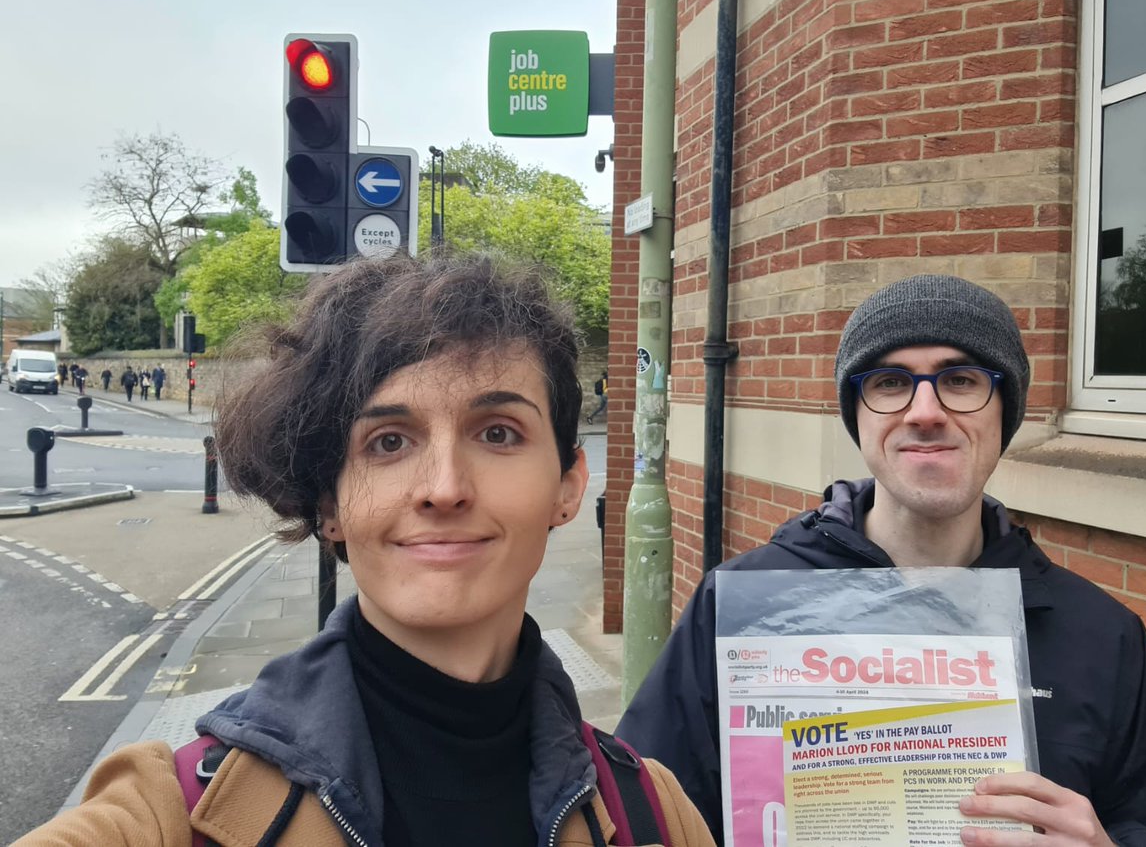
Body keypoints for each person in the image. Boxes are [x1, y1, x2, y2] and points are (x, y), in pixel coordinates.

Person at [14, 254, 713, 847]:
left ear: (568, 485)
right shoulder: (166, 815)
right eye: (389, 443)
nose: (443, 488)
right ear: (330, 506)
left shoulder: (655, 811)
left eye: (498, 433)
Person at [616, 274, 1146, 845]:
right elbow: (642, 816)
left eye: (962, 379)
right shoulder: (737, 609)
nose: (925, 411)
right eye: (892, 382)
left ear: (1005, 412)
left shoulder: (1102, 636)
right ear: (859, 414)